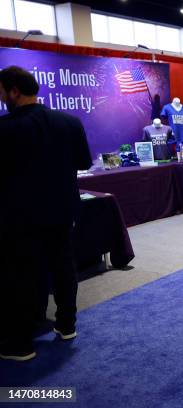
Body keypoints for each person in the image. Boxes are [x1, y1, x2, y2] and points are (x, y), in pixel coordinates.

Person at [0, 66, 92, 361]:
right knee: (64, 266)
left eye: (2, 92)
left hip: (20, 215)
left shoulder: (6, 128)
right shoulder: (69, 122)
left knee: (22, 275)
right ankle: (67, 325)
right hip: (63, 209)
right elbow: (83, 162)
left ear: (14, 91)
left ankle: (21, 344)